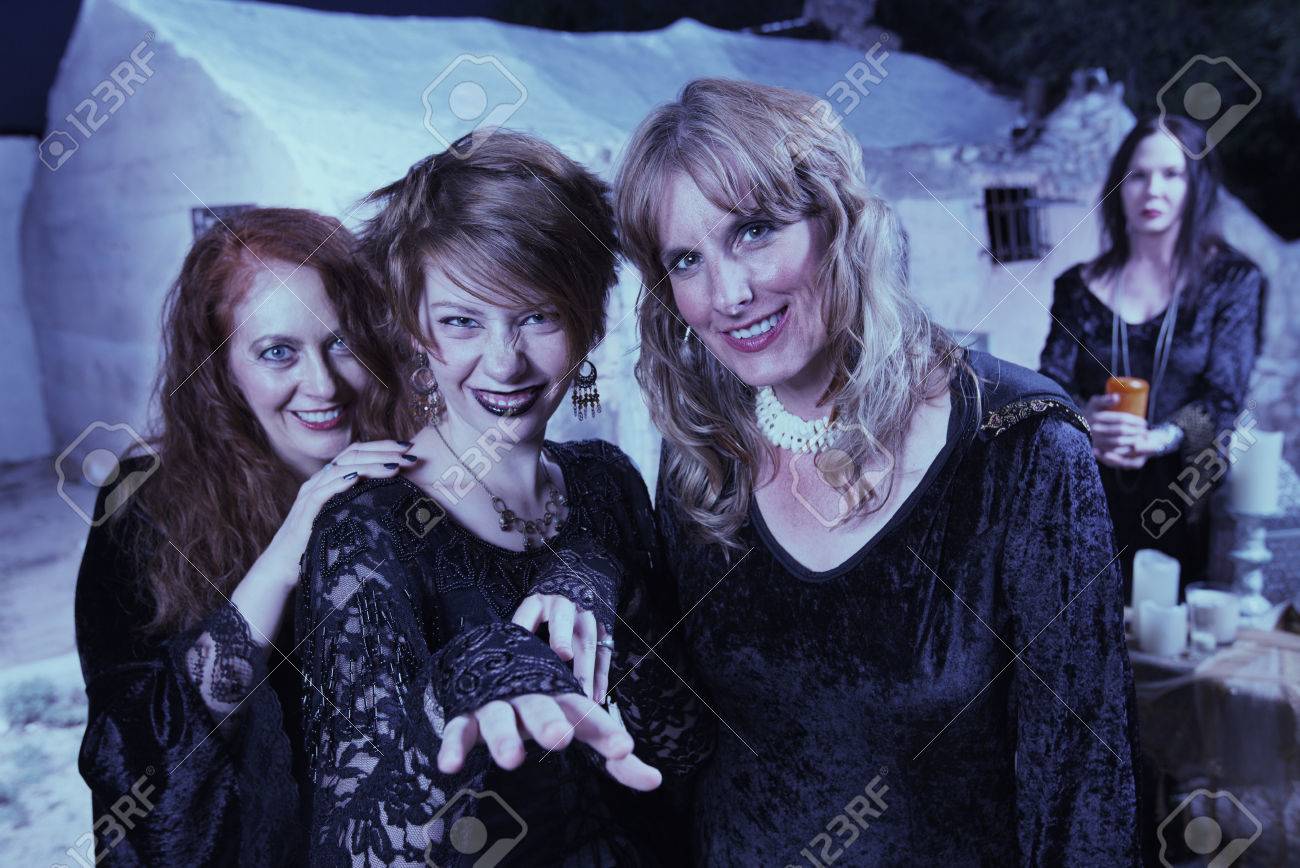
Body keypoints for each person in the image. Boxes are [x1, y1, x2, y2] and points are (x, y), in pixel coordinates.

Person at [613, 78, 1140, 865]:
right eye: (686, 260)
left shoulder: (1020, 446)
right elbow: (680, 747)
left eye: (754, 231)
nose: (729, 293)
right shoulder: (700, 453)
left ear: (838, 221)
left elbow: (1083, 797)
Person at [297, 129, 709, 867]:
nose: (503, 362)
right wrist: (469, 670)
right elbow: (358, 846)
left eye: (536, 316)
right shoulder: (367, 529)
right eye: (462, 321)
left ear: (588, 320)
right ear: (416, 328)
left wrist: (603, 576)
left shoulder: (607, 482)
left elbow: (685, 752)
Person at [74, 208, 412, 866]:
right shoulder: (141, 503)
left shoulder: (415, 476)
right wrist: (285, 556)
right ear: (220, 368)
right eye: (278, 352)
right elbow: (136, 764)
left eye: (341, 343)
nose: (322, 384)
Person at [1039, 116, 1267, 591]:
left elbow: (1224, 396)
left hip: (1182, 498)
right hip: (1085, 492)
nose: (1152, 191)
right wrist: (1086, 420)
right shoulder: (1076, 287)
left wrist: (1156, 439)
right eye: (1138, 175)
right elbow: (1049, 388)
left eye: (1171, 174)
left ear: (1196, 184)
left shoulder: (1232, 282)